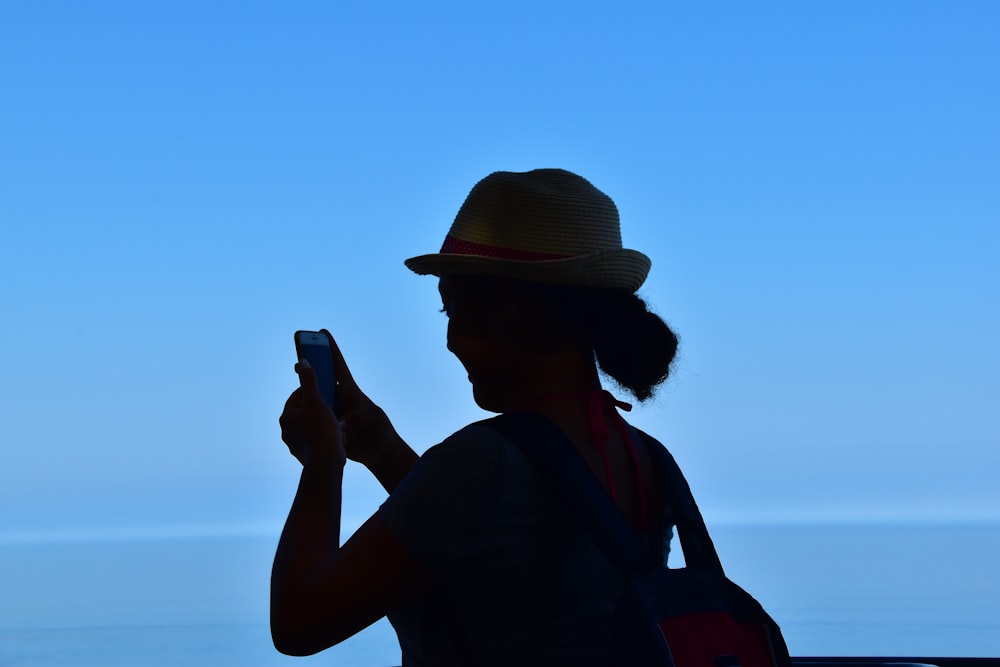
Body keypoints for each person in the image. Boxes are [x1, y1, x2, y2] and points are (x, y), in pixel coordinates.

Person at [271, 168, 680, 666]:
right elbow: (488, 534)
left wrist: (322, 463)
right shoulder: (646, 458)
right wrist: (380, 448)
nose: (448, 340)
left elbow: (297, 622)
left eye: (451, 311)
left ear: (505, 307)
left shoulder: (481, 465)